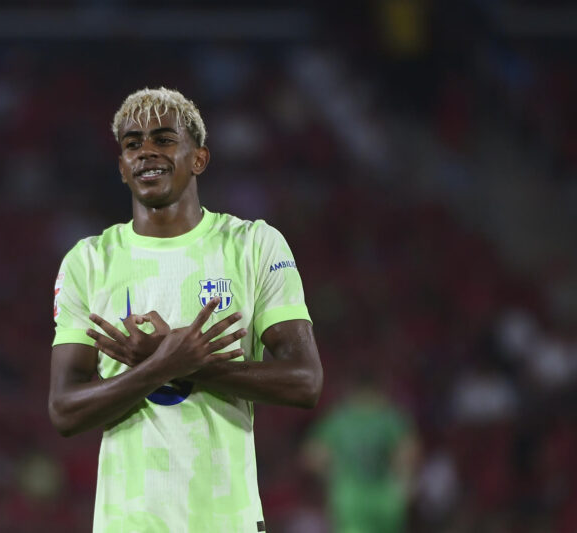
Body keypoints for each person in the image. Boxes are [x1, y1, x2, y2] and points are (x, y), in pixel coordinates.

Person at [48, 87, 323, 533]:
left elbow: (306, 382)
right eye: (132, 144)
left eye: (163, 139)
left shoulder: (253, 245)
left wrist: (185, 363)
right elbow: (64, 410)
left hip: (226, 520)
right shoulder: (89, 261)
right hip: (127, 523)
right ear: (121, 167)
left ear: (199, 159)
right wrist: (163, 365)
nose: (146, 152)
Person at [302, 373, 419, 533]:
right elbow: (408, 453)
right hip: (386, 498)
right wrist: (404, 483)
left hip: (349, 499)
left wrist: (333, 477)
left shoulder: (339, 419)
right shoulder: (389, 417)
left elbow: (313, 456)